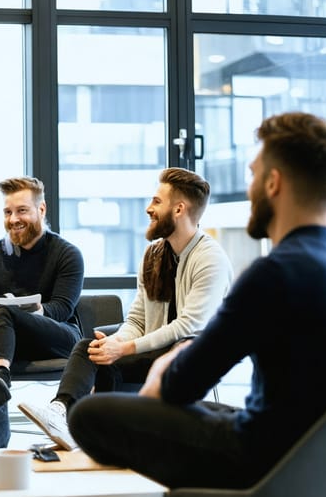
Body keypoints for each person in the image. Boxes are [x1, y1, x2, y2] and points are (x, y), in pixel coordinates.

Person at [68, 112, 326, 489]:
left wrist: (164, 368)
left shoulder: (277, 273)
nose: (249, 188)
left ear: (273, 183)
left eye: (253, 174)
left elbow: (178, 386)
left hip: (268, 462)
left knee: (91, 415)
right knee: (203, 410)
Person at [18, 168, 233, 450]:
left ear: (179, 209)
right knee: (91, 348)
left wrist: (126, 349)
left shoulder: (210, 258)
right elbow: (137, 319)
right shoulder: (153, 255)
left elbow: (187, 326)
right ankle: (64, 415)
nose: (148, 208)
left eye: (157, 201)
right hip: (154, 348)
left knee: (152, 350)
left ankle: (116, 439)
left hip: (189, 354)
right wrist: (115, 342)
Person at [0, 176, 84, 450]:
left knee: (2, 317)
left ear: (41, 210)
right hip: (3, 346)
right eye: (8, 212)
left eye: (22, 211)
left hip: (57, 338)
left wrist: (24, 312)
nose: (13, 219)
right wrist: (8, 314)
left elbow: (62, 308)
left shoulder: (67, 254)